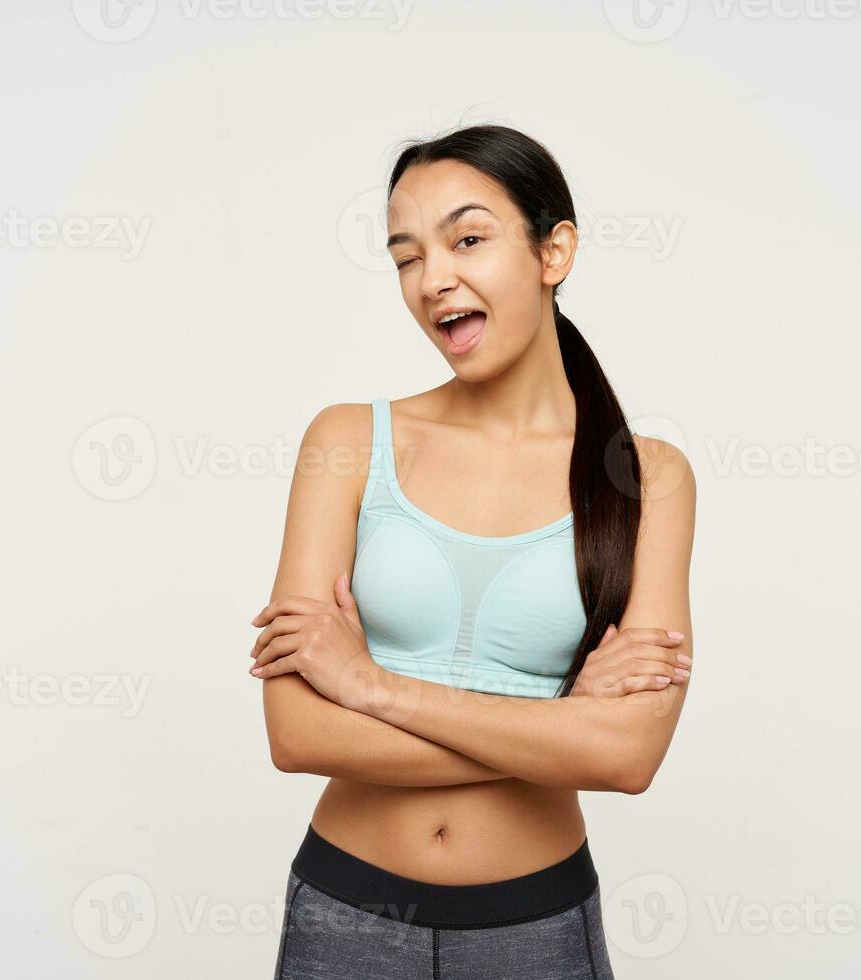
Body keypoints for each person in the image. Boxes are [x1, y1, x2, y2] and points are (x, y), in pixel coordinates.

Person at [249, 123, 697, 979]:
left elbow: (628, 756)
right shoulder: (346, 443)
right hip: (347, 913)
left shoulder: (650, 479)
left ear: (553, 250)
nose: (433, 280)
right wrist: (561, 720)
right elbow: (296, 730)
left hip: (537, 925)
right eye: (407, 256)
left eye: (468, 239)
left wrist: (370, 687)